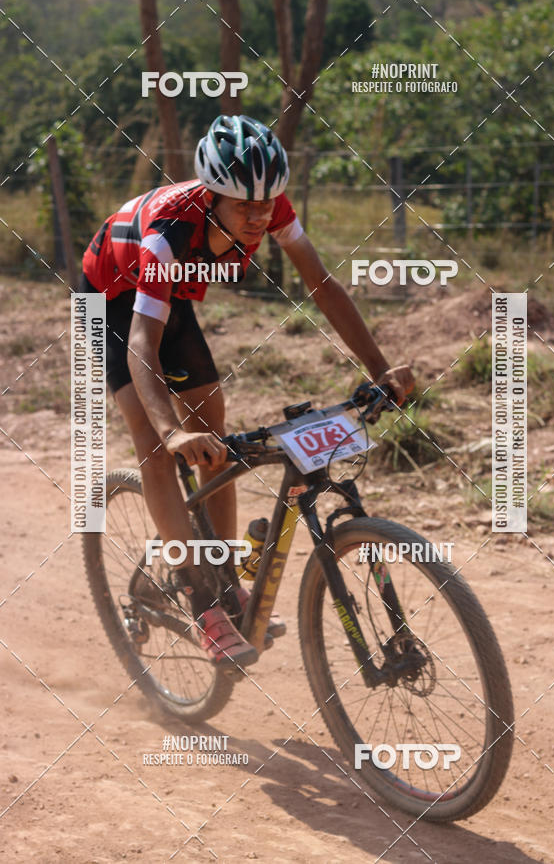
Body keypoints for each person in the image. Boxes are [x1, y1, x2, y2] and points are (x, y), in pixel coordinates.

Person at [81, 114, 415, 669]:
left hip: (166, 298)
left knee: (217, 442)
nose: (260, 217)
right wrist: (171, 430)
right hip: (108, 297)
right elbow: (142, 342)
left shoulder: (269, 205)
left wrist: (380, 368)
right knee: (157, 445)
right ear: (211, 197)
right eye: (244, 206)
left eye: (267, 204)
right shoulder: (168, 234)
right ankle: (201, 601)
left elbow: (323, 286)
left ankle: (225, 579)